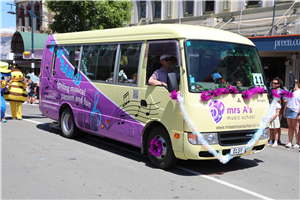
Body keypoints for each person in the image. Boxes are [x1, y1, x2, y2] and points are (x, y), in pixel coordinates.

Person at [283, 79, 300, 149]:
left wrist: (299, 113)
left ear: (296, 84)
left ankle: (297, 143)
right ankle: (290, 142)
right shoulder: (290, 91)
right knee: (290, 127)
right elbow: (286, 102)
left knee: (296, 127)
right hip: (289, 110)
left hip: (295, 110)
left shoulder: (299, 92)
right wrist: (284, 111)